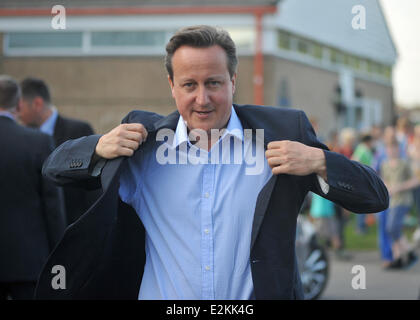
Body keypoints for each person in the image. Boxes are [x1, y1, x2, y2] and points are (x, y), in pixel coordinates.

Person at [35, 25, 388, 300]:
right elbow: (54, 169)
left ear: (233, 82)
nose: (202, 99)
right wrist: (98, 147)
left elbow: (374, 197)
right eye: (189, 84)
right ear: (172, 86)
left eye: (214, 83)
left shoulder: (283, 133)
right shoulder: (141, 144)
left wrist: (320, 160)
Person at [0, 75, 66, 300]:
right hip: (28, 262)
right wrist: (60, 255)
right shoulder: (37, 142)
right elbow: (52, 207)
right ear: (18, 105)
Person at [17, 77, 97, 225]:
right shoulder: (21, 138)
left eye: (19, 107)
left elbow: (92, 183)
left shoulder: (79, 130)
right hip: (38, 230)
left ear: (37, 104)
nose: (17, 113)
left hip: (74, 226)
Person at [381, 139, 418, 268]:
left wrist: (399, 187)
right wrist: (388, 187)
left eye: (394, 148)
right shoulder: (384, 164)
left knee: (392, 227)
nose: (392, 151)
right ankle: (398, 258)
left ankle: (409, 252)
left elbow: (415, 181)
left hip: (403, 200)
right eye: (389, 148)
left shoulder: (404, 164)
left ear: (398, 149)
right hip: (391, 201)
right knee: (391, 229)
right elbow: (384, 180)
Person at [352, 133, 375, 234]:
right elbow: (355, 161)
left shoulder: (363, 149)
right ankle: (360, 227)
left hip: (366, 179)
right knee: (362, 203)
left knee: (365, 203)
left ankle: (363, 226)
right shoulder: (362, 149)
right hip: (362, 179)